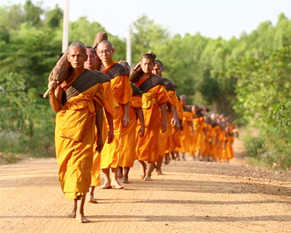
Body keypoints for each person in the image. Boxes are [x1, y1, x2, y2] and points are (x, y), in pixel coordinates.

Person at [48, 41, 105, 223]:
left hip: (85, 130)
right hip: (65, 130)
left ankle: (80, 211)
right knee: (66, 169)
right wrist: (52, 91)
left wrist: (101, 135)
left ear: (86, 57)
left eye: (80, 55)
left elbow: (99, 109)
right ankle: (73, 205)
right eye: (72, 56)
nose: (77, 59)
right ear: (67, 58)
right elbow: (57, 107)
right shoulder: (63, 79)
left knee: (81, 169)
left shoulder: (94, 79)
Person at [97, 40, 132, 189]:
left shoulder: (119, 70)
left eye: (107, 51)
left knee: (114, 144)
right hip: (99, 112)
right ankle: (106, 180)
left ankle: (115, 178)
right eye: (101, 52)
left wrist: (126, 115)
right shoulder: (94, 68)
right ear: (97, 53)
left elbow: (126, 94)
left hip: (116, 112)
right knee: (101, 144)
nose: (104, 54)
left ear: (113, 51)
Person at [84, 46, 115, 203]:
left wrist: (111, 129)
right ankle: (78, 189)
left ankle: (90, 191)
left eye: (92, 56)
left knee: (95, 157)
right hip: (78, 123)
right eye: (86, 56)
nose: (89, 59)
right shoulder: (71, 78)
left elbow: (109, 106)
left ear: (97, 59)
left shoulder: (104, 80)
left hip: (98, 122)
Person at [133, 53, 168, 181]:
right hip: (137, 117)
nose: (147, 67)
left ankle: (148, 173)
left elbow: (163, 102)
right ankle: (142, 166)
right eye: (144, 64)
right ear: (140, 64)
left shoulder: (157, 81)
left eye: (149, 64)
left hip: (153, 118)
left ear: (153, 65)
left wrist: (164, 119)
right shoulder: (135, 79)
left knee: (151, 145)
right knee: (137, 146)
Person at [118, 60, 145, 183]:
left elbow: (139, 109)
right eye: (121, 69)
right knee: (116, 148)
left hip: (130, 124)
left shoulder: (133, 88)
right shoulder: (114, 86)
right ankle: (117, 173)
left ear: (129, 72)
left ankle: (125, 175)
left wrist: (143, 125)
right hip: (116, 122)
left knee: (128, 149)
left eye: (126, 70)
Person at [152, 60, 180, 174]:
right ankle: (147, 166)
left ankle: (158, 167)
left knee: (161, 142)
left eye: (157, 69)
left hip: (164, 116)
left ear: (162, 69)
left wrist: (175, 117)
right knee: (148, 142)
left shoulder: (167, 84)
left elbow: (173, 103)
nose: (155, 71)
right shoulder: (144, 81)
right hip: (149, 115)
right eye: (153, 69)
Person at [176, 95, 194, 160]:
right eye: (181, 100)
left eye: (184, 101)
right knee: (176, 140)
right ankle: (177, 156)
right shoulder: (176, 107)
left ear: (186, 101)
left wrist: (192, 129)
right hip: (176, 127)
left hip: (185, 129)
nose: (182, 102)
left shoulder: (188, 110)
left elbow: (190, 121)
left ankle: (183, 156)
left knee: (184, 142)